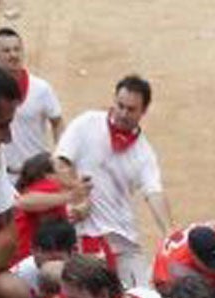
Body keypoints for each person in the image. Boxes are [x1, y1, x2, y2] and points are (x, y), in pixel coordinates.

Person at [55, 73, 171, 285]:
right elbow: (61, 162)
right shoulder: (87, 124)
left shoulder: (143, 152)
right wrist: (76, 194)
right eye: (120, 105)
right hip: (83, 234)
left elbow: (154, 192)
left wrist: (168, 231)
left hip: (123, 239)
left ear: (144, 111)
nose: (123, 113)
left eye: (131, 109)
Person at [0, 26, 61, 167]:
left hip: (35, 176)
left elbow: (57, 122)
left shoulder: (41, 89)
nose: (13, 55)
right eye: (7, 51)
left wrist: (60, 157)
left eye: (17, 49)